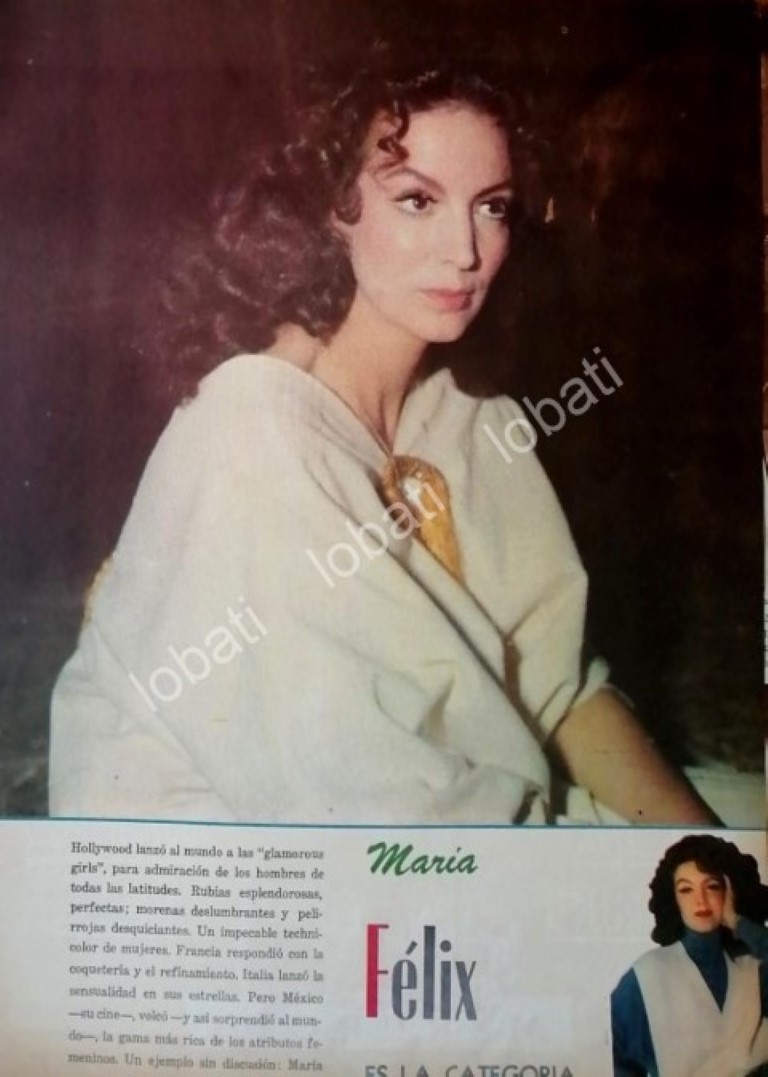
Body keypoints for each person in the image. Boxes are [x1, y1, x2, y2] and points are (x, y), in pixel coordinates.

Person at [48, 52, 722, 824]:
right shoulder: (250, 431)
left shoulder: (472, 417)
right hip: (265, 853)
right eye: (416, 200)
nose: (464, 251)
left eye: (492, 207)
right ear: (333, 209)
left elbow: (559, 690)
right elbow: (364, 802)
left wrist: (700, 845)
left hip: (453, 815)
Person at [611, 834, 768, 1076]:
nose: (700, 900)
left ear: (731, 891)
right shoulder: (647, 975)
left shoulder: (754, 966)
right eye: (686, 889)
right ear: (673, 899)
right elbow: (618, 1060)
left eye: (712, 886)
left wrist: (736, 921)